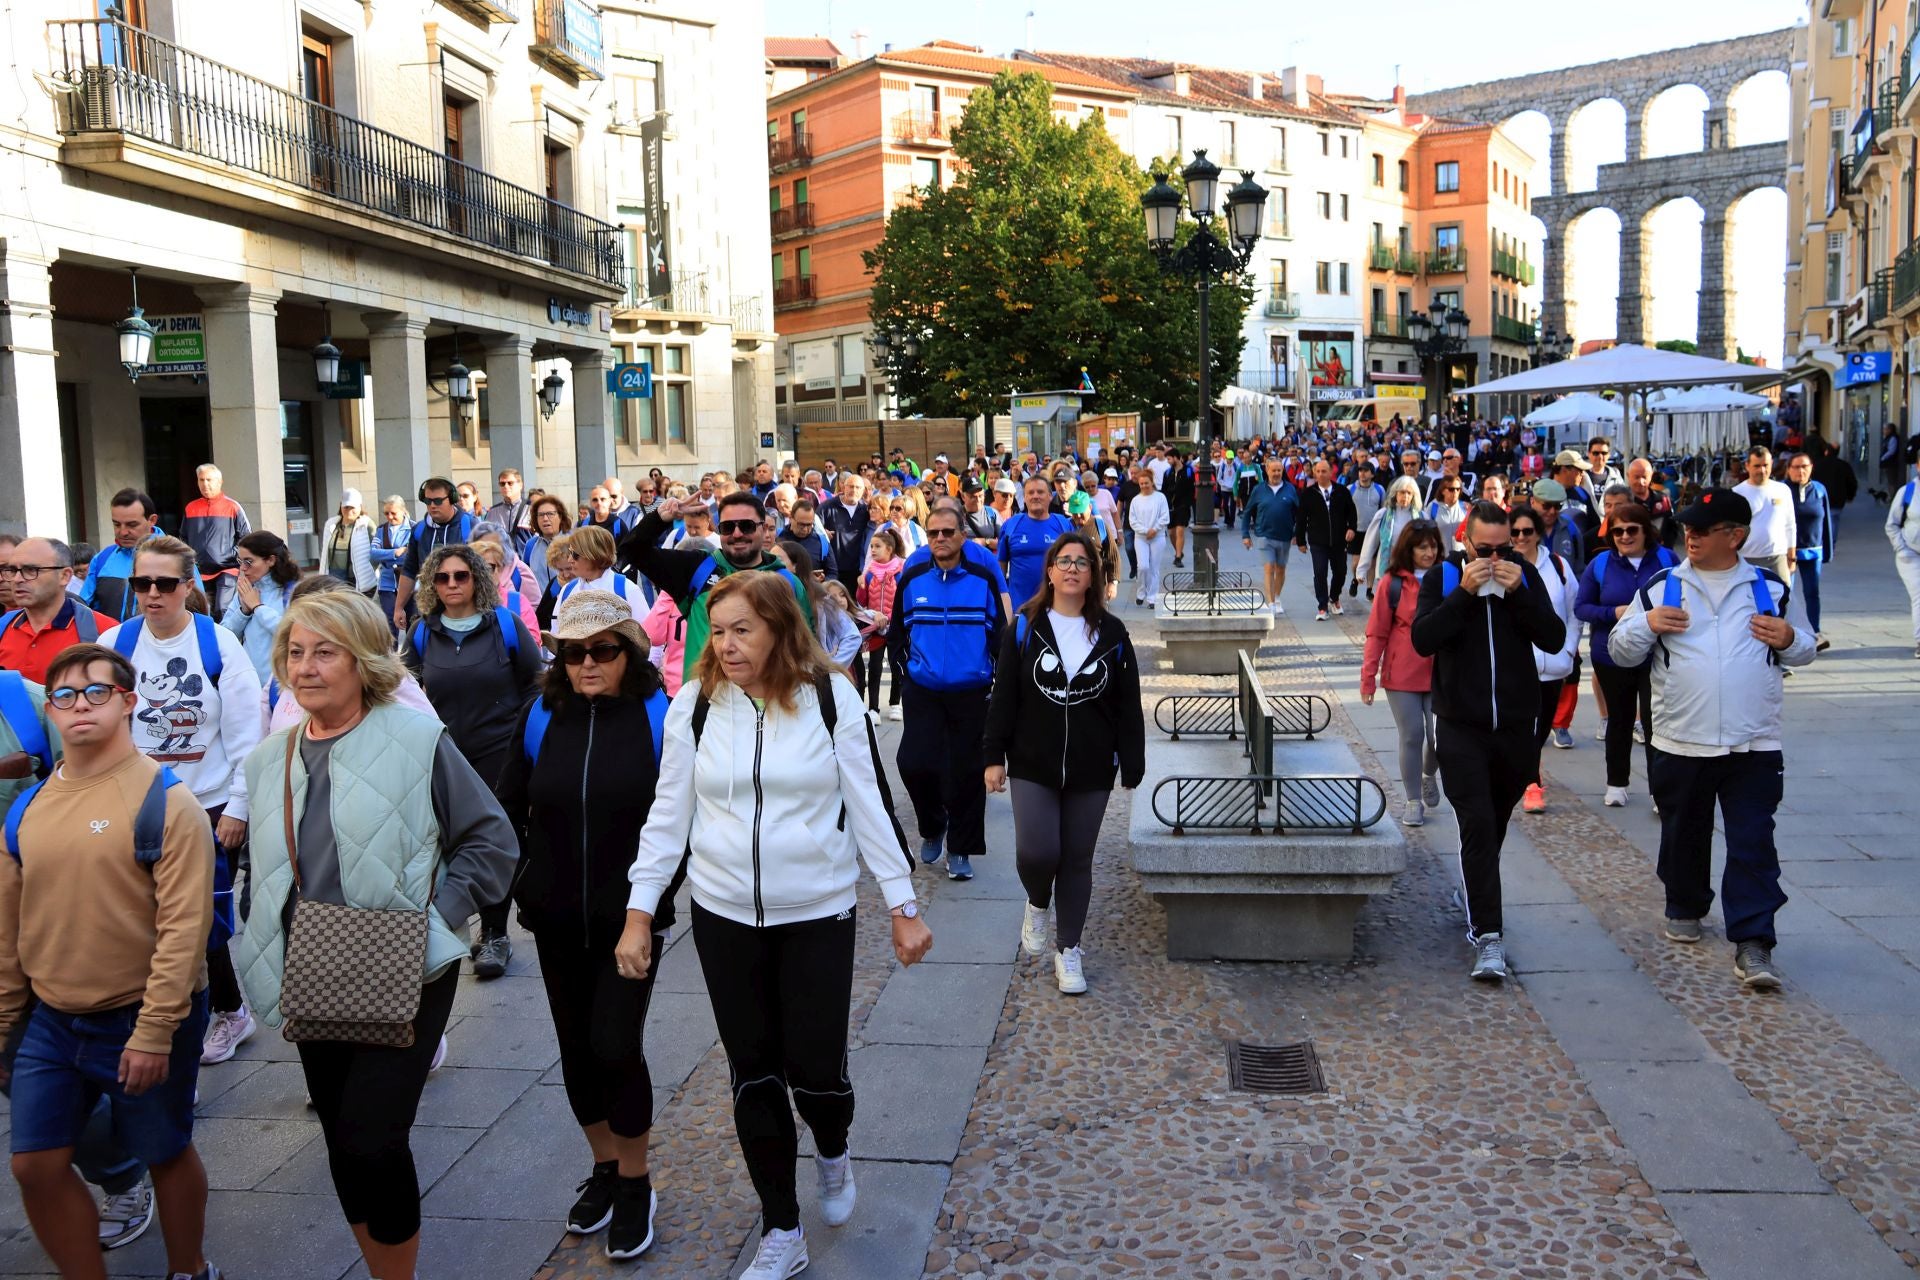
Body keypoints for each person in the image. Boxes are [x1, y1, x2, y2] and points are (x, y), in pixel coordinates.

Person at [616, 572, 931, 1280]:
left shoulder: (830, 696)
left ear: (781, 630)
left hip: (818, 910)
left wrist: (902, 905)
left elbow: (868, 801)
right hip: (724, 914)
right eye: (717, 630)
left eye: (741, 630)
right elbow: (668, 816)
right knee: (753, 1075)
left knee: (817, 1073)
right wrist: (640, 913)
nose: (724, 645)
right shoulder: (694, 705)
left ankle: (831, 1143)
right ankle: (781, 1227)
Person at [234, 590, 514, 1278]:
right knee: (339, 1135)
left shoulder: (417, 740)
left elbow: (490, 839)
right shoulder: (269, 759)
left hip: (407, 964)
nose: (305, 667)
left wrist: (437, 917)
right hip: (313, 962)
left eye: (324, 652)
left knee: (373, 1139)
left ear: (362, 661)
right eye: (295, 652)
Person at [0, 643, 221, 1280]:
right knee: (34, 1165)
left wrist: (154, 1032)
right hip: (51, 1017)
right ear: (51, 710)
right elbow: (10, 923)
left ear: (128, 703)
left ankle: (190, 1269)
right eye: (64, 695)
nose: (79, 707)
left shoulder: (165, 801)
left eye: (97, 692)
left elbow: (184, 929)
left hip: (143, 1014)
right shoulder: (27, 808)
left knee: (166, 1151)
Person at [493, 591, 671, 1259]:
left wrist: (649, 909)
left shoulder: (661, 717)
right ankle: (604, 1163)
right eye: (573, 652)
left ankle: (635, 1180)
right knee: (575, 1049)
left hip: (633, 920)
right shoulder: (541, 714)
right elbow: (506, 807)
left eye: (602, 650)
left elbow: (679, 822)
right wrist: (523, 887)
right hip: (557, 915)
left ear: (629, 653)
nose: (587, 663)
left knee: (615, 1044)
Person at [1607, 488, 1815, 989]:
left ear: (1735, 536)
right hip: (1681, 740)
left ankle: (1753, 940)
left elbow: (1806, 645)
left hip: (1754, 743)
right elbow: (1619, 652)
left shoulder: (1771, 587)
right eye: (1687, 528)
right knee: (1684, 833)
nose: (1690, 536)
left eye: (1703, 529)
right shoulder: (1661, 586)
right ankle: (1685, 902)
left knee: (1753, 842)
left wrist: (1789, 640)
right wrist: (1646, 626)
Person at [99, 536, 261, 1065]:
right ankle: (192, 1011)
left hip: (207, 804)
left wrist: (238, 805)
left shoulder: (217, 644)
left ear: (187, 586)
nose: (151, 593)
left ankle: (224, 1013)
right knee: (148, 915)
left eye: (164, 583)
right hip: (135, 801)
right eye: (141, 583)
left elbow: (244, 735)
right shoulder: (115, 642)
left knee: (199, 918)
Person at [1410, 501, 1567, 982]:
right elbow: (1423, 639)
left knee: (1494, 822)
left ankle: (1475, 889)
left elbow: (1555, 638)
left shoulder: (1523, 575)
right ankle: (1488, 935)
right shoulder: (1441, 578)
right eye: (1487, 549)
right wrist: (1464, 593)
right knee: (1476, 822)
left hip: (1517, 727)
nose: (1497, 558)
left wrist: (1521, 595)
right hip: (1460, 725)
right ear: (1466, 540)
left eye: (1507, 548)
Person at [984, 532, 1143, 993]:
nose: (1072, 568)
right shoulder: (1024, 627)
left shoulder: (1111, 632)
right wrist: (993, 756)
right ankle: (1037, 901)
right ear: (1050, 571)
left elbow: (1127, 703)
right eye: (1064, 561)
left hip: (1093, 766)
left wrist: (1132, 762)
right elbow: (1004, 698)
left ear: (1093, 574)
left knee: (1077, 859)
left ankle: (1069, 949)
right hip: (1033, 760)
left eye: (1082, 562)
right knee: (1037, 852)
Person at [401, 544, 541, 980]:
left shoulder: (504, 625)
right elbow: (403, 690)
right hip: (443, 753)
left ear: (477, 579)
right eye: (442, 578)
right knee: (449, 842)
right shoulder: (423, 632)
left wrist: (526, 744)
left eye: (461, 576)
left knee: (495, 840)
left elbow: (534, 685)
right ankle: (452, 924)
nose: (452, 585)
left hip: (500, 752)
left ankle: (495, 934)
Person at [889, 504, 1007, 882]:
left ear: (962, 536)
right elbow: (897, 632)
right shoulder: (914, 576)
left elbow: (998, 636)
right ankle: (933, 824)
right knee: (914, 762)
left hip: (971, 690)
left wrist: (995, 680)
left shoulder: (981, 576)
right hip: (922, 688)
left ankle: (960, 848)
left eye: (948, 533)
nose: (940, 539)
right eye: (934, 533)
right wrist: (905, 672)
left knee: (969, 772)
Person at [620, 494, 811, 675]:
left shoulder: (787, 583)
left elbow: (805, 648)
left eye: (746, 526)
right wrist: (659, 519)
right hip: (708, 702)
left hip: (770, 702)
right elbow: (633, 551)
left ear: (764, 528)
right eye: (727, 527)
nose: (737, 534)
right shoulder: (696, 568)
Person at [1574, 505, 1674, 808]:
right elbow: (1581, 607)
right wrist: (1613, 613)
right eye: (1618, 531)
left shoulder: (1667, 560)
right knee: (1619, 719)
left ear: (1646, 530)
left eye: (1632, 529)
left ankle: (1660, 790)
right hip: (1612, 654)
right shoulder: (1600, 564)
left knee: (1655, 722)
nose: (1625, 536)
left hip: (1656, 654)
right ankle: (1616, 783)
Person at [1360, 520, 1444, 826]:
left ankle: (1427, 774)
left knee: (1439, 739)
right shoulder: (1392, 583)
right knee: (1412, 736)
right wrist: (1368, 676)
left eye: (1433, 545)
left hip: (1440, 671)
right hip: (1402, 673)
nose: (1429, 552)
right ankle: (1413, 800)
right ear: (1408, 549)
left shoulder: (1446, 577)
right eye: (1422, 546)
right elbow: (1377, 631)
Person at [1, 539, 114, 683]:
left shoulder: (104, 632)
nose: (17, 579)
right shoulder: (3, 627)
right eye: (12, 570)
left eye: (30, 570)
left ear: (65, 576)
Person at [393, 477, 475, 631]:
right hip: (428, 608)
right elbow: (409, 571)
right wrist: (399, 608)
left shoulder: (470, 526)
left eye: (438, 501)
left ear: (452, 499)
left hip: (464, 609)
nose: (432, 506)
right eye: (428, 501)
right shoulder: (419, 530)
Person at [221, 531, 300, 686]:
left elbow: (292, 633)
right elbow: (225, 634)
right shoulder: (246, 590)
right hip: (249, 685)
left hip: (282, 686)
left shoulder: (293, 591)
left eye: (249, 562)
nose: (242, 568)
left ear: (270, 560)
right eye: (240, 561)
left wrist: (258, 607)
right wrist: (244, 611)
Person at [181, 465, 251, 619]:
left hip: (227, 569)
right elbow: (183, 538)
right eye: (201, 480)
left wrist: (231, 556)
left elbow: (246, 538)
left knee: (222, 610)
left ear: (219, 482)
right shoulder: (190, 508)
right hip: (199, 570)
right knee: (201, 611)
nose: (205, 484)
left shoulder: (233, 507)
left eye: (209, 480)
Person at [81, 489, 161, 624]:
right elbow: (82, 609)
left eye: (132, 524)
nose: (123, 532)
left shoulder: (177, 558)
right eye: (117, 524)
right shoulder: (102, 559)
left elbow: (196, 610)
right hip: (109, 643)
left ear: (152, 520)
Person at [1296, 460, 1359, 621]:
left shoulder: (1342, 491)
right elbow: (1302, 518)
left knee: (1340, 571)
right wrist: (1301, 540)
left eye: (1324, 471)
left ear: (1331, 473)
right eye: (1318, 471)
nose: (1321, 474)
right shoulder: (1309, 493)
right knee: (1320, 572)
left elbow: (1351, 511)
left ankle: (1334, 597)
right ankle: (1322, 606)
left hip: (1339, 540)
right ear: (1314, 473)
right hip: (1318, 541)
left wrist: (1351, 528)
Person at [999, 476, 1073, 609]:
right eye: (1030, 493)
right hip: (1019, 608)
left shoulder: (1064, 525)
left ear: (1050, 496)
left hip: (1057, 607)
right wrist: (1002, 603)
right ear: (1025, 498)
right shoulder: (1011, 525)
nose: (1035, 496)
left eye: (1040, 492)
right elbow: (1001, 565)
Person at [1785, 453, 1834, 649]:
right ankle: (1790, 633)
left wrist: (1828, 551)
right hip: (1789, 552)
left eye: (1804, 466)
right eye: (1796, 467)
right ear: (1788, 469)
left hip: (1814, 550)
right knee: (1786, 594)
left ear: (1811, 467)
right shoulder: (1783, 490)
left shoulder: (1820, 490)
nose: (1800, 471)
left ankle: (1815, 631)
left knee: (1812, 593)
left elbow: (1826, 521)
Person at [1241, 458, 1300, 616]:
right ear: (1266, 470)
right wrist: (1245, 534)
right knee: (1269, 568)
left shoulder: (1290, 489)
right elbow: (1247, 513)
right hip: (1264, 535)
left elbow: (1299, 513)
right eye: (1273, 470)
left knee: (1280, 569)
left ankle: (1277, 597)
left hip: (1285, 536)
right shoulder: (1259, 490)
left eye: (1279, 470)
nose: (1276, 473)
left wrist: (1297, 534)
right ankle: (1271, 603)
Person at [857, 527, 905, 718]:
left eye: (878, 546)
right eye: (871, 546)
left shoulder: (901, 571)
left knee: (896, 666)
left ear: (889, 549)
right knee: (875, 667)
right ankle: (873, 708)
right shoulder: (868, 573)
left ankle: (895, 704)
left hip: (895, 628)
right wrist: (861, 586)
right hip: (876, 627)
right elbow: (861, 602)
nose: (873, 550)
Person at [1732, 446, 1795, 581]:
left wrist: (1792, 556)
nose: (1762, 470)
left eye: (1766, 465)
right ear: (1747, 466)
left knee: (1782, 599)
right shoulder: (1736, 493)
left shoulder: (1783, 490)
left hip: (1777, 559)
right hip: (1745, 559)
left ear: (1772, 464)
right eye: (1757, 466)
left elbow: (1790, 524)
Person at [1358, 476, 1423, 602]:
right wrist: (1361, 570)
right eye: (1402, 492)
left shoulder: (1420, 517)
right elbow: (1370, 544)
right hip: (1388, 567)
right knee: (1387, 604)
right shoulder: (1383, 515)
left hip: (1412, 568)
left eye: (1409, 493)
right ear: (1395, 494)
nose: (1405, 496)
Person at [1889, 458, 1920, 659]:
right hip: (1911, 554)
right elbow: (1891, 524)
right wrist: (1902, 548)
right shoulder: (1907, 492)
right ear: (1918, 466)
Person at [318, 490, 377, 594]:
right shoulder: (331, 524)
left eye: (352, 507)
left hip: (356, 580)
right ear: (341, 507)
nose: (349, 510)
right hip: (333, 579)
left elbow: (376, 552)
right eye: (346, 507)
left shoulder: (366, 525)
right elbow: (325, 554)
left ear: (360, 507)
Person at [1127, 467, 1170, 608]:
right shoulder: (1135, 500)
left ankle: (1152, 597)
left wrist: (1155, 529)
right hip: (1141, 537)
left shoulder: (1160, 497)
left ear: (1152, 482)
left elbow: (1165, 517)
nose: (1144, 486)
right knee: (1143, 566)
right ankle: (1141, 592)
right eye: (1142, 484)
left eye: (1146, 483)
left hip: (1158, 537)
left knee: (1154, 568)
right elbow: (1132, 520)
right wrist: (1145, 531)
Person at [369, 496, 412, 635]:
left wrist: (386, 554)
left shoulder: (414, 527)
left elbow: (412, 554)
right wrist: (395, 552)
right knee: (389, 623)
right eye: (386, 513)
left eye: (393, 513)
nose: (390, 517)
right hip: (387, 583)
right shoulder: (381, 529)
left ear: (403, 511)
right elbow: (373, 553)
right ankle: (392, 655)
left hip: (410, 582)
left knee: (413, 622)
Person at [1347, 461, 1386, 599]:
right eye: (1360, 471)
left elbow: (1383, 510)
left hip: (1373, 532)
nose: (1362, 473)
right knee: (1356, 562)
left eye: (1365, 471)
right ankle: (1355, 579)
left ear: (1372, 474)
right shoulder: (1350, 489)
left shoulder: (1380, 490)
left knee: (1372, 562)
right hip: (1356, 530)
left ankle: (1369, 589)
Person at [523, 493, 574, 599]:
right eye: (540, 515)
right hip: (542, 608)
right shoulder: (531, 545)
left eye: (550, 514)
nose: (545, 518)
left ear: (560, 517)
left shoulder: (574, 541)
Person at [484, 468, 533, 540]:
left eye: (510, 483)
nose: (506, 486)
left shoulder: (530, 508)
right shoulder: (492, 512)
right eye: (502, 484)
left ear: (520, 485)